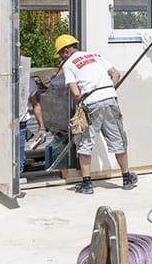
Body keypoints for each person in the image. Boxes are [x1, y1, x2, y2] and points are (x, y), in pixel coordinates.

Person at [54, 33, 136, 195]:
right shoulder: (96, 56)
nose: (62, 57)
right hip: (110, 100)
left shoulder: (68, 64)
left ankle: (87, 184)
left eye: (61, 54)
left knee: (85, 142)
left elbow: (75, 93)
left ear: (65, 51)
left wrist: (81, 108)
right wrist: (108, 89)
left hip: (91, 103)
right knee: (118, 139)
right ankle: (126, 178)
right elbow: (116, 75)